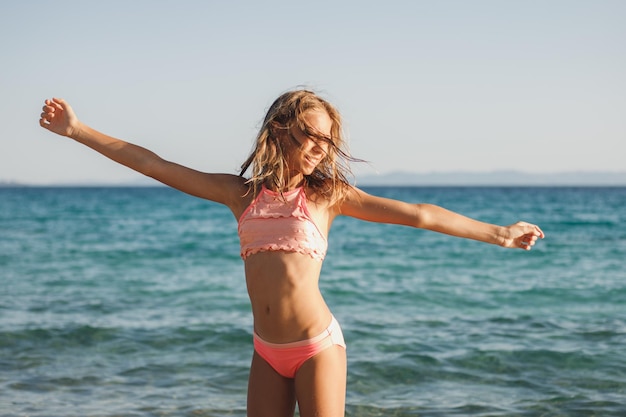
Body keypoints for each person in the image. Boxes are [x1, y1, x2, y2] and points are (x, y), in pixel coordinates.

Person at [39, 89, 544, 417]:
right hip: (266, 350)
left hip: (317, 346)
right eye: (310, 135)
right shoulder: (240, 195)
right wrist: (77, 130)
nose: (321, 147)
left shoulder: (327, 198)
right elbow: (153, 163)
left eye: (327, 140)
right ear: (281, 129)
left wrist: (498, 233)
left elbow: (418, 213)